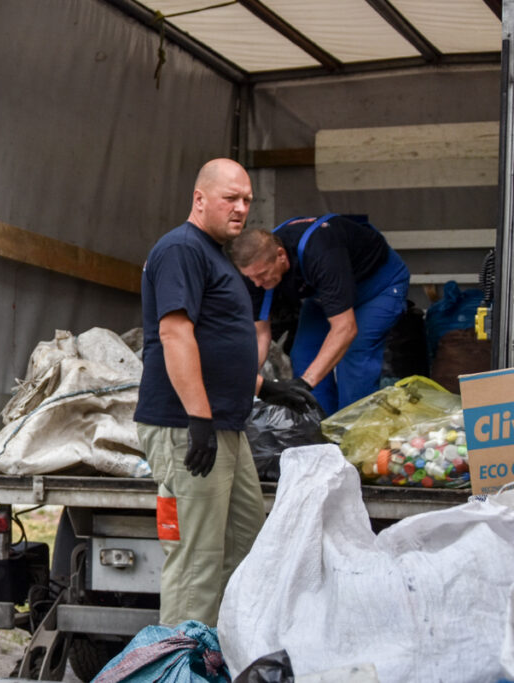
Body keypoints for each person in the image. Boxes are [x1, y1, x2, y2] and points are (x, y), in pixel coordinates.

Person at [133, 158, 266, 628]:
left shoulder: (214, 254)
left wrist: (268, 387)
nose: (241, 208)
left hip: (227, 425)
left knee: (244, 546)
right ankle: (180, 671)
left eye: (247, 199)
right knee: (198, 562)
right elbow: (175, 335)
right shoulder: (181, 249)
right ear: (200, 198)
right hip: (185, 425)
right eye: (231, 197)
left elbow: (217, 339)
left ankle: (217, 660)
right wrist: (199, 418)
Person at [225, 213, 410, 415]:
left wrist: (305, 384)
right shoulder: (255, 273)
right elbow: (260, 334)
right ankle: (319, 432)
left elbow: (345, 328)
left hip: (377, 286)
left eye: (262, 275)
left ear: (281, 255)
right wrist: (248, 381)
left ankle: (352, 434)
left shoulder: (321, 252)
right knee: (303, 354)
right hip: (327, 294)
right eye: (251, 278)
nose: (257, 284)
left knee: (356, 355)